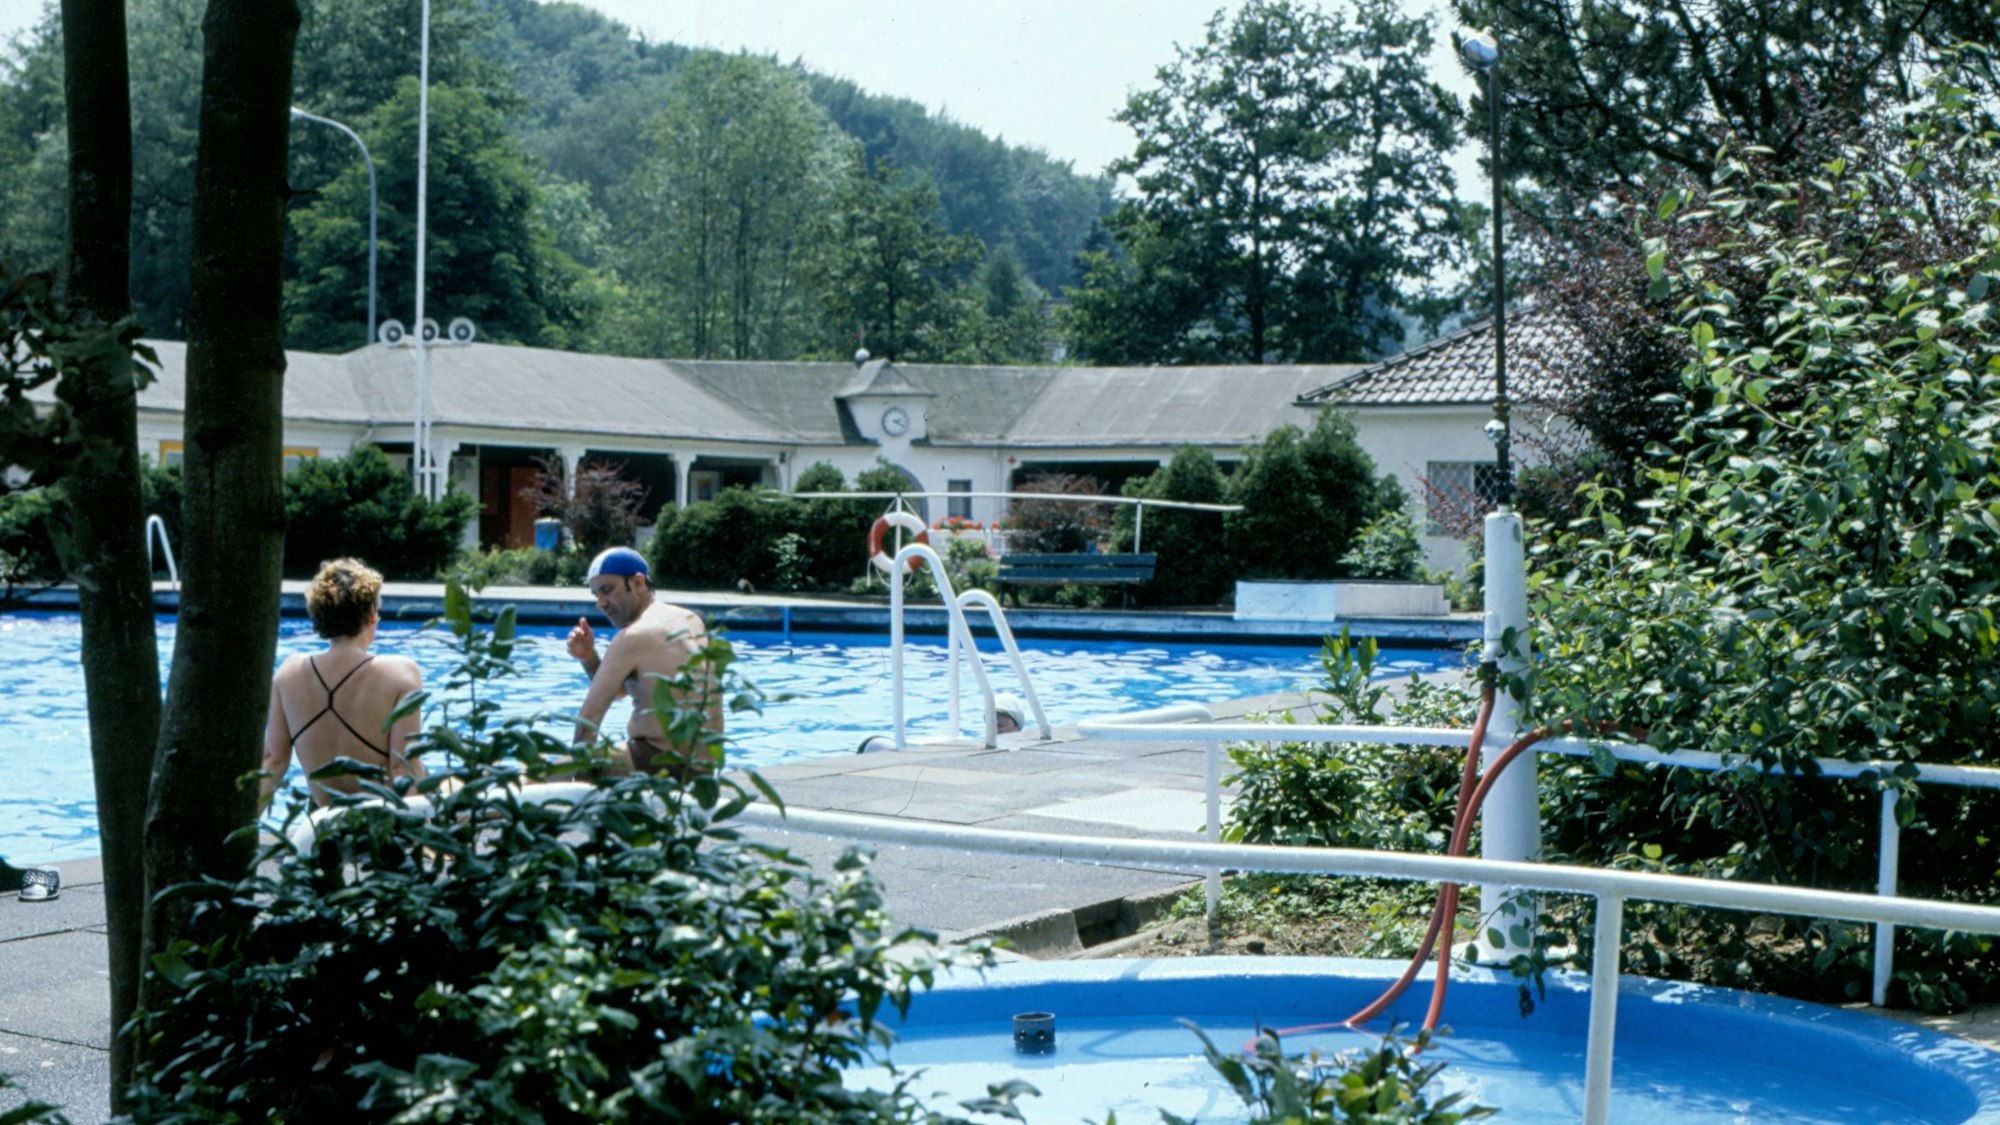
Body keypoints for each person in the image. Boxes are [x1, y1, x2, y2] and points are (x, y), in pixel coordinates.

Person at [262, 558, 425, 808]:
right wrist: (420, 840)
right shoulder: (400, 673)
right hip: (381, 825)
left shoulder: (288, 673)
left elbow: (273, 761)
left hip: (324, 826)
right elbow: (403, 767)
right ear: (371, 615)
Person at [568, 547, 721, 778]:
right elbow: (623, 691)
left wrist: (577, 794)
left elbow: (587, 722)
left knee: (542, 774)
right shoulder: (690, 620)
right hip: (704, 773)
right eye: (596, 594)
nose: (600, 603)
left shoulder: (632, 637)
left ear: (638, 583)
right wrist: (589, 658)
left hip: (663, 767)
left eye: (607, 590)